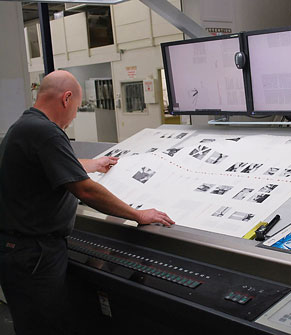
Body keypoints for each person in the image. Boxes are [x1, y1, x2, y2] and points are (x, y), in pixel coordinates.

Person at [0, 70, 175, 335]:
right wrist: (138, 215)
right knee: (45, 326)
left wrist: (93, 164)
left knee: (32, 322)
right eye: (77, 108)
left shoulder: (25, 125)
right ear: (67, 98)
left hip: (18, 249)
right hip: (35, 253)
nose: (72, 117)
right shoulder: (47, 132)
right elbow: (86, 191)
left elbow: (48, 165)